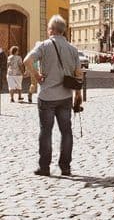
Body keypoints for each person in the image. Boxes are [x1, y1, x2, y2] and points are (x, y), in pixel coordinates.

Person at [23, 15, 82, 177]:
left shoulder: (44, 46)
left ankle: (44, 167)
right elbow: (78, 75)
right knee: (66, 132)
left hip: (47, 96)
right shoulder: (73, 49)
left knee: (46, 131)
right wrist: (78, 95)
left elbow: (27, 60)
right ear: (63, 31)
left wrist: (36, 75)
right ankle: (65, 167)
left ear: (51, 30)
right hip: (65, 97)